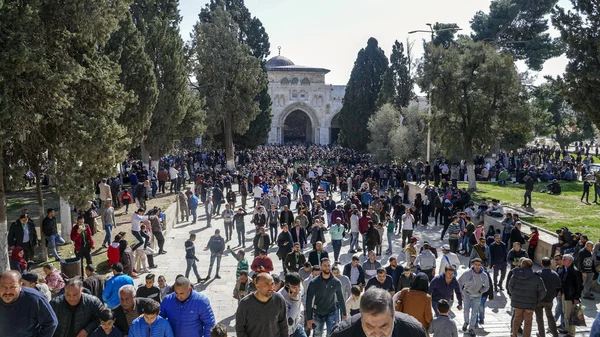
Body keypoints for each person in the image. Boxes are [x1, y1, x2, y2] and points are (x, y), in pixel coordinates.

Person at [330, 288, 427, 337]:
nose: (377, 334)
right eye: (370, 326)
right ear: (361, 317)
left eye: (383, 326)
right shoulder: (342, 334)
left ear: (393, 316)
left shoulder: (414, 332)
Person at [0, 271, 58, 337]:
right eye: (3, 287)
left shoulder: (35, 299)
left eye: (12, 287)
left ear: (20, 286)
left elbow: (50, 322)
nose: (8, 291)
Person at [235, 273, 288, 337]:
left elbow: (283, 325)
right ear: (257, 286)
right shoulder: (245, 304)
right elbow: (240, 328)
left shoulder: (279, 299)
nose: (271, 287)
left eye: (272, 284)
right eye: (266, 284)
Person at [305, 258, 347, 337]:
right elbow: (308, 301)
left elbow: (340, 298)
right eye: (325, 266)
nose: (327, 267)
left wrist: (344, 314)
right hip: (318, 313)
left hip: (332, 312)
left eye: (328, 265)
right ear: (321, 267)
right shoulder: (314, 283)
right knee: (317, 334)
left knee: (331, 334)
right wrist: (309, 318)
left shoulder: (336, 282)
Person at [507, 257, 547, 337]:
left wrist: (515, 295)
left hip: (518, 302)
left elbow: (510, 287)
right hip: (530, 303)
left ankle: (514, 334)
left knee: (517, 318)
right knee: (528, 321)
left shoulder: (515, 275)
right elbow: (543, 291)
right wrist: (536, 299)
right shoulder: (536, 277)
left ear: (521, 265)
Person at [458, 258, 489, 336]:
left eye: (479, 265)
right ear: (472, 264)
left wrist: (480, 291)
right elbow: (459, 282)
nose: (477, 266)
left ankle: (471, 328)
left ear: (481, 265)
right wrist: (461, 293)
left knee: (474, 313)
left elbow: (487, 286)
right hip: (467, 294)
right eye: (475, 264)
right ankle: (466, 322)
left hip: (477, 296)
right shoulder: (467, 273)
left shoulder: (484, 275)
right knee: (466, 310)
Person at [535, 257, 561, 337]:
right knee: (550, 316)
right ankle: (555, 333)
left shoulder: (537, 273)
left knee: (539, 317)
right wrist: (554, 295)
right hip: (549, 299)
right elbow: (558, 287)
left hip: (539, 299)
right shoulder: (555, 274)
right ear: (550, 264)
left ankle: (541, 334)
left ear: (541, 264)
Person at [559, 254, 583, 337]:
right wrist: (560, 291)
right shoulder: (564, 269)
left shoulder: (575, 272)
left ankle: (571, 333)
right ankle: (567, 330)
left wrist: (577, 297)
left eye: (564, 259)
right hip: (564, 295)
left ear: (569, 261)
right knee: (565, 313)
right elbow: (562, 282)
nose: (562, 260)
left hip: (571, 297)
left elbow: (579, 286)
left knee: (571, 315)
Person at [278, 272, 305, 337]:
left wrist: (299, 317)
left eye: (298, 286)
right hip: (286, 333)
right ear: (286, 285)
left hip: (297, 327)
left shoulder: (299, 290)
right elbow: (289, 322)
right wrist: (295, 302)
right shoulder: (280, 298)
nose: (297, 290)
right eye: (294, 287)